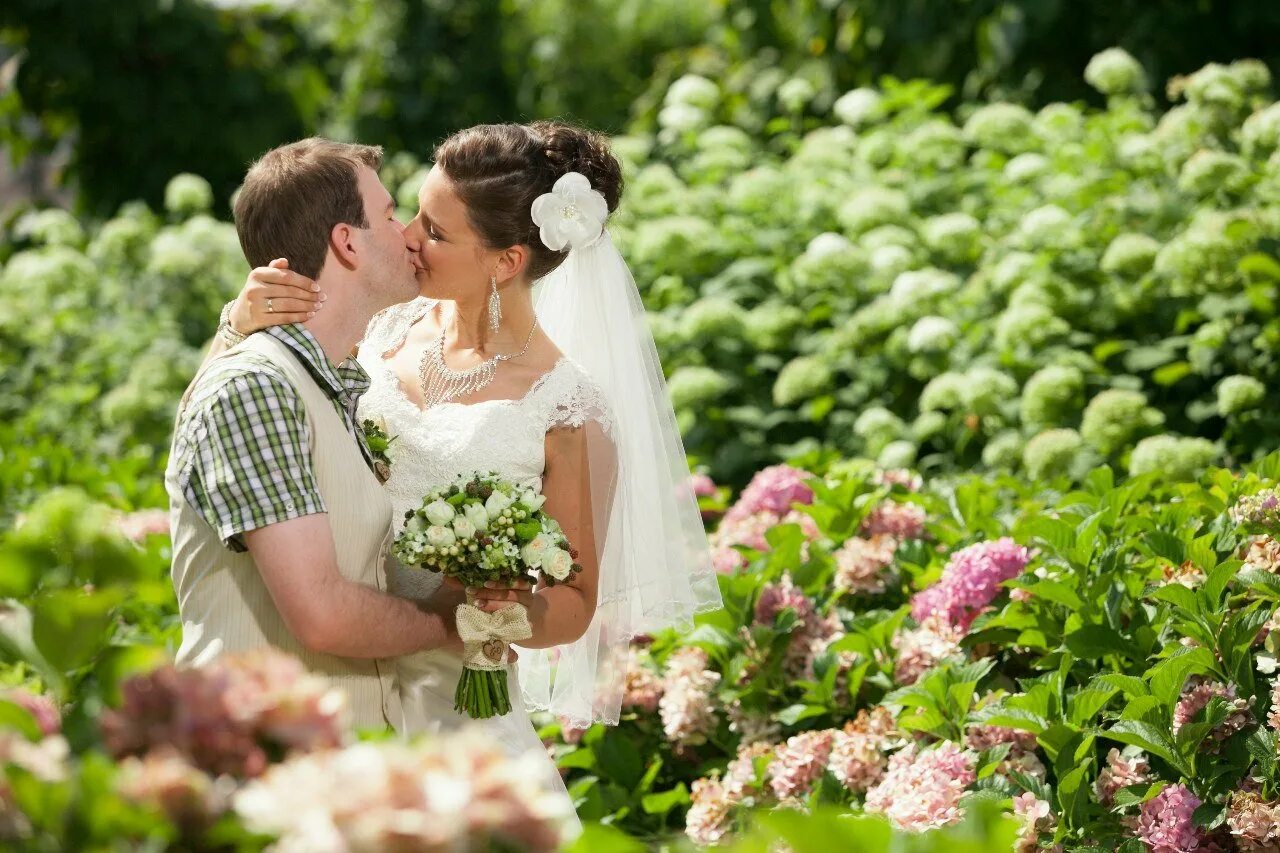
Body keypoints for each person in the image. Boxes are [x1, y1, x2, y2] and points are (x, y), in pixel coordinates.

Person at [220, 122, 722, 810]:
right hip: (337, 678)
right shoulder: (379, 328)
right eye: (412, 214)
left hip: (459, 708)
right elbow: (263, 402)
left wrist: (495, 612)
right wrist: (240, 322)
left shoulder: (566, 407)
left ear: (505, 261)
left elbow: (574, 602)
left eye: (435, 231)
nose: (407, 238)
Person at [167, 138, 464, 735]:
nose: (408, 235)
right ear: (347, 242)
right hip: (256, 759)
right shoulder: (257, 388)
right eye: (389, 214)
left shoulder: (331, 386)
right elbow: (321, 614)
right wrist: (455, 621)